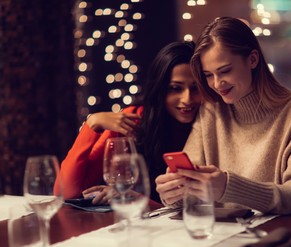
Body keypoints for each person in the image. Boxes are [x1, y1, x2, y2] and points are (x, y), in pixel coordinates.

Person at [155, 17, 291, 215]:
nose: (217, 84)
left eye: (225, 71)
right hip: (227, 236)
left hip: (288, 237)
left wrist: (229, 187)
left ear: (253, 59)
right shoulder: (212, 111)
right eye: (209, 75)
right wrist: (176, 193)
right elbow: (195, 188)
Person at [55, 41, 202, 205]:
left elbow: (194, 206)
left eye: (196, 88)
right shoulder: (134, 119)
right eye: (175, 88)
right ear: (160, 88)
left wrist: (131, 197)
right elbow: (64, 192)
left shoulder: (215, 122)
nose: (187, 99)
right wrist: (91, 124)